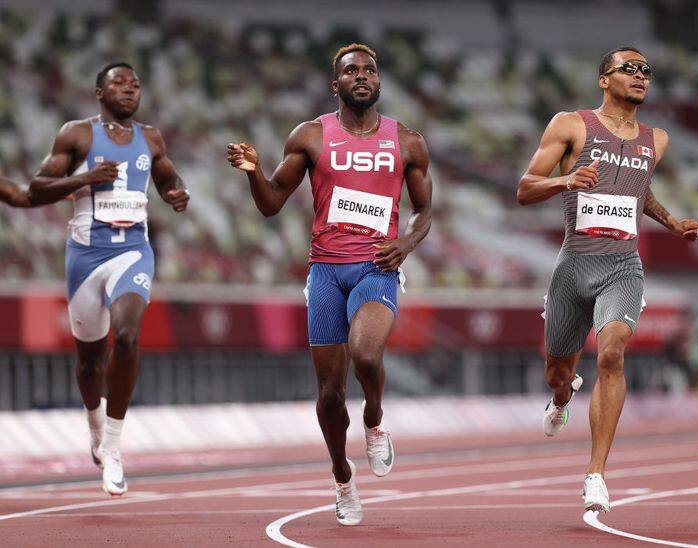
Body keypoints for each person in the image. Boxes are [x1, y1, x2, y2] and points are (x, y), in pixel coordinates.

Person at [228, 43, 432, 526]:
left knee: (365, 355)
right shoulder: (311, 136)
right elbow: (272, 203)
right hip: (325, 271)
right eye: (351, 71)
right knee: (329, 394)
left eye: (370, 70)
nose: (362, 76)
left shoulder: (407, 141)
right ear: (334, 84)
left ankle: (375, 421)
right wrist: (254, 171)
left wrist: (405, 244)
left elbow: (424, 210)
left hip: (376, 267)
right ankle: (342, 476)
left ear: (378, 82)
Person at [516, 46, 698, 512]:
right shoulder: (570, 124)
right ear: (604, 79)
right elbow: (524, 188)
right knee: (558, 370)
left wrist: (672, 221)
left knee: (612, 354)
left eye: (646, 71)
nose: (640, 76)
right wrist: (566, 182)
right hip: (573, 264)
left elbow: (640, 192)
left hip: (622, 266)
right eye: (629, 69)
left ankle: (596, 473)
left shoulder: (656, 139)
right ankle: (561, 396)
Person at [28, 62, 190, 496]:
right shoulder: (76, 135)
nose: (129, 89)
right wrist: (85, 179)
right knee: (88, 363)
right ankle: (95, 423)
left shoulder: (151, 137)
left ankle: (114, 445)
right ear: (98, 92)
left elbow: (167, 175)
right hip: (85, 257)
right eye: (119, 83)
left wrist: (177, 192)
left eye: (136, 84)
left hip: (133, 252)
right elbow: (37, 187)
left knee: (128, 336)